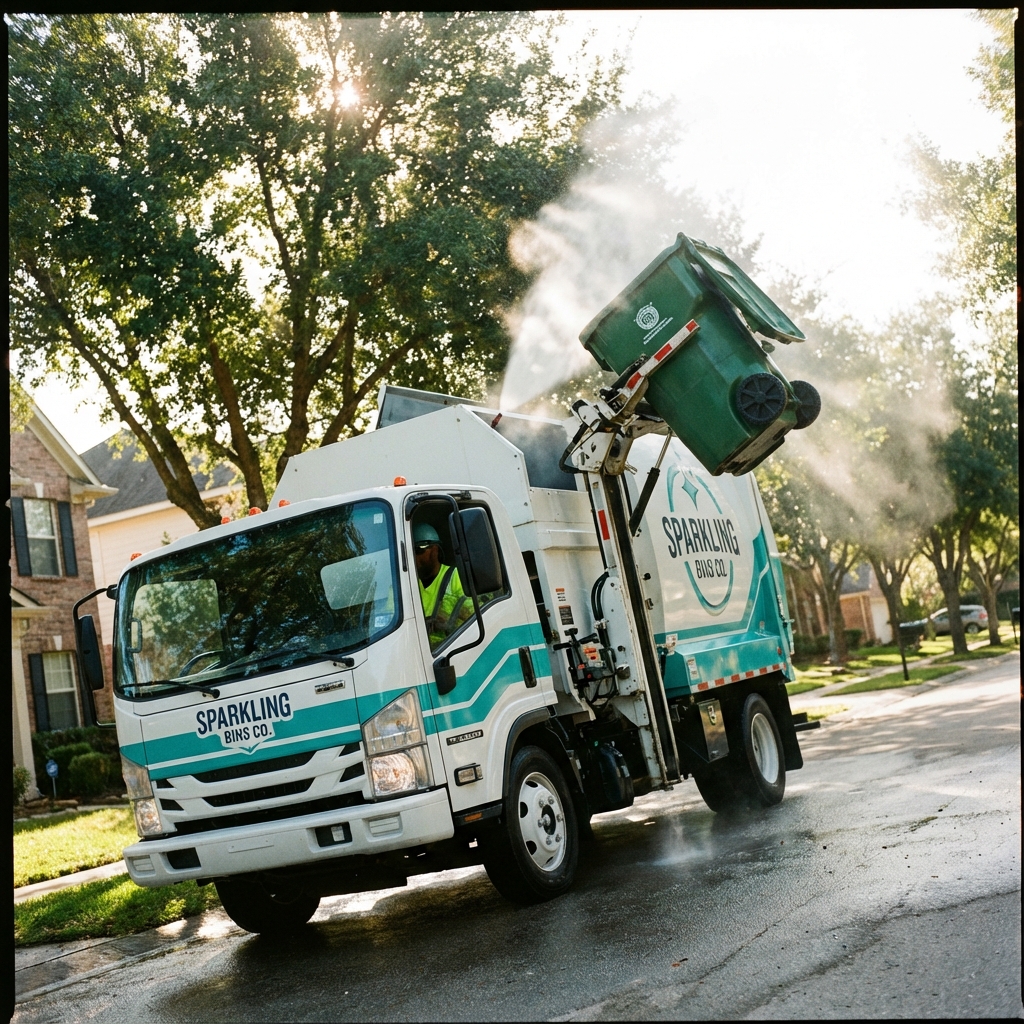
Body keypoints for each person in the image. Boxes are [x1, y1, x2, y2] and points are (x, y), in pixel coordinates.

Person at [413, 523, 473, 647]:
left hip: (450, 648)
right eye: (411, 551)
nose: (414, 556)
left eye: (419, 550)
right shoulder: (403, 586)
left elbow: (475, 617)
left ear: (435, 550)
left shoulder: (456, 577)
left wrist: (447, 621)